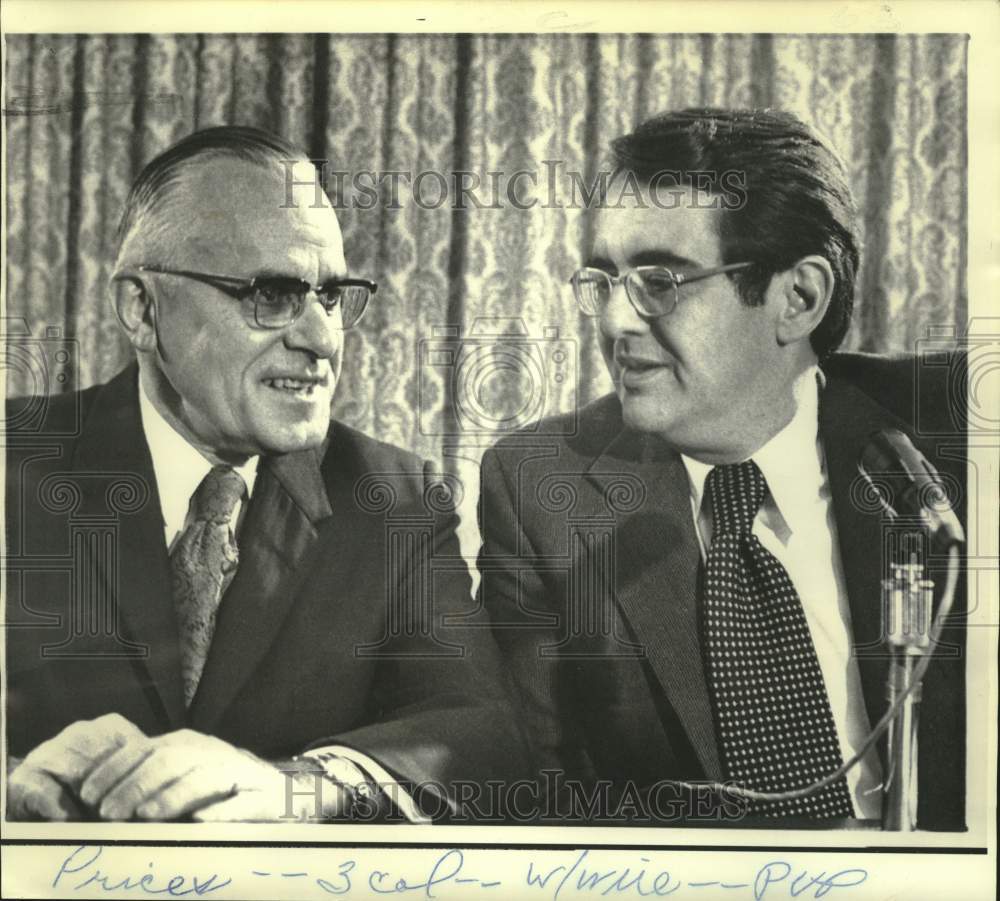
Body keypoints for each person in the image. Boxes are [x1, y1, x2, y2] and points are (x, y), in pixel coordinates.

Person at [5, 125, 528, 823]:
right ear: (141, 308)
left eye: (332, 296)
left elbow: (480, 732)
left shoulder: (392, 498)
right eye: (272, 294)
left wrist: (295, 787)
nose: (320, 338)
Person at [477, 108, 966, 830]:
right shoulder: (540, 487)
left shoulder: (956, 437)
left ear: (797, 298)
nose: (616, 322)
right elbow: (551, 800)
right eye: (605, 279)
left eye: (660, 281)